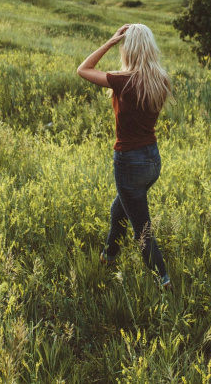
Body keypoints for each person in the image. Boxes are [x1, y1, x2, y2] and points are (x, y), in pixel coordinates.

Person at [77, 23, 172, 289]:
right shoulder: (160, 79)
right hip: (152, 160)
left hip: (129, 163)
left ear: (127, 47)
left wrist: (110, 41)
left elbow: (82, 69)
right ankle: (109, 255)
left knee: (142, 231)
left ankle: (163, 280)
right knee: (119, 209)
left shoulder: (123, 80)